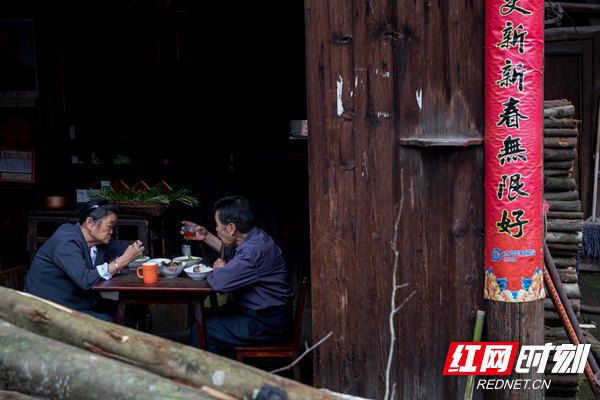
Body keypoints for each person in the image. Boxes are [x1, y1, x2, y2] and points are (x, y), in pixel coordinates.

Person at [181, 195, 293, 354]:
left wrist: (220, 270)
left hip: (266, 324)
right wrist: (205, 236)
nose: (217, 229)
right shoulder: (255, 237)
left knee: (203, 329)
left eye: (217, 225)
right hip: (263, 316)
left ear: (231, 228)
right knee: (203, 316)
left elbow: (219, 283)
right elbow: (232, 250)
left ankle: (211, 375)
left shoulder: (252, 252)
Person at [24, 199, 144, 322]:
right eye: (109, 226)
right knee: (107, 321)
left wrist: (136, 249)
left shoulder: (97, 241)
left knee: (133, 310)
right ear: (90, 223)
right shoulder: (67, 242)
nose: (112, 232)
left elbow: (122, 249)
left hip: (80, 303)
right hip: (49, 311)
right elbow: (84, 280)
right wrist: (120, 262)